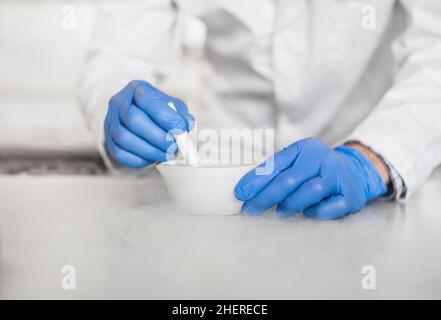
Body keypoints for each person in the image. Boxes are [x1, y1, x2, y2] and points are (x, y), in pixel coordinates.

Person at [78, 0, 441, 219]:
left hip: (363, 155)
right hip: (223, 160)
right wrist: (124, 115)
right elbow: (120, 55)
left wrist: (371, 161)